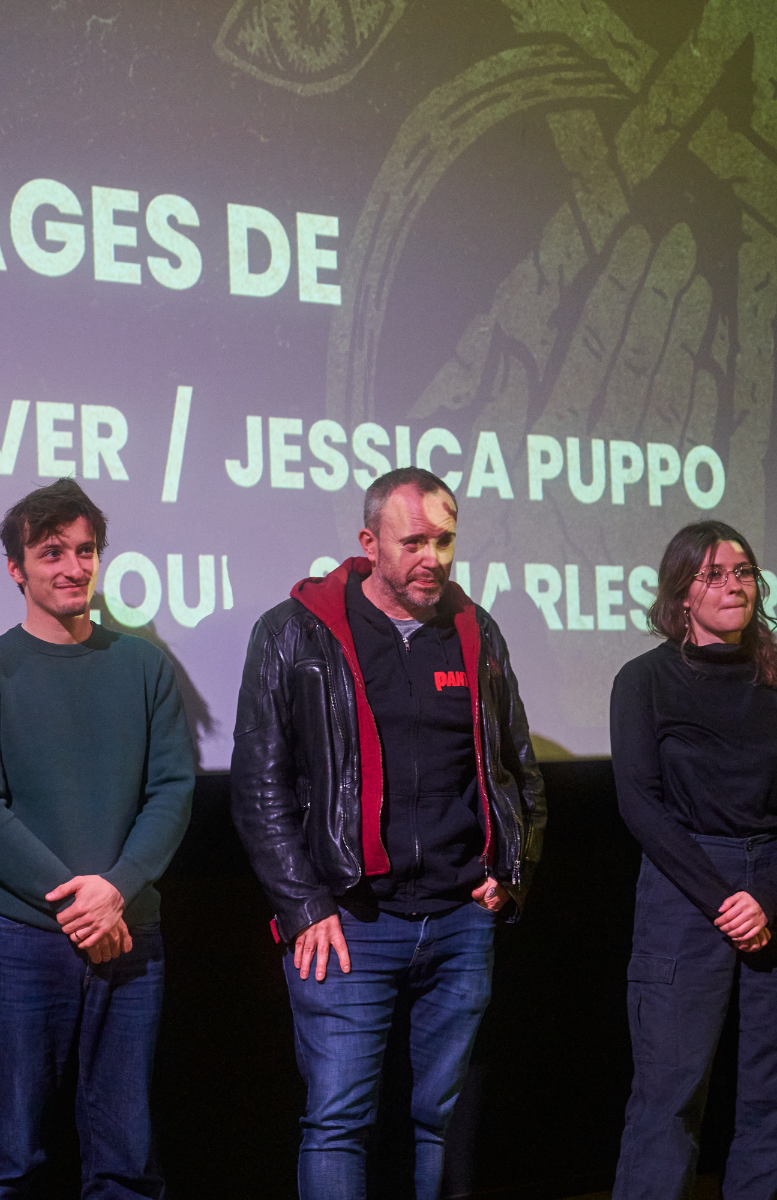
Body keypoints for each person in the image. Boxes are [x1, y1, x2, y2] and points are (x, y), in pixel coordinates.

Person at [231, 467, 546, 1200]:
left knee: (437, 1121)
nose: (432, 557)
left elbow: (517, 766)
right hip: (349, 921)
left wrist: (513, 871)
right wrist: (303, 906)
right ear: (369, 543)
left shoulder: (476, 631)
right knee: (338, 1122)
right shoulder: (294, 631)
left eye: (445, 541)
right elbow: (259, 787)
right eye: (414, 542)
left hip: (460, 919)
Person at [0, 478, 195, 1200]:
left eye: (85, 551)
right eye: (52, 553)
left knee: (126, 1162)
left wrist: (116, 890)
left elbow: (173, 790)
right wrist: (80, 904)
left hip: (131, 932)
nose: (73, 567)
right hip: (21, 938)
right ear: (16, 569)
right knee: (13, 1161)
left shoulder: (143, 665)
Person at [610, 521, 777, 1199]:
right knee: (669, 1093)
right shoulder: (644, 681)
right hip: (686, 890)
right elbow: (640, 804)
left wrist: (766, 895)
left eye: (743, 572)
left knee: (776, 1095)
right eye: (714, 575)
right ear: (682, 594)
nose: (734, 586)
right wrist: (724, 901)